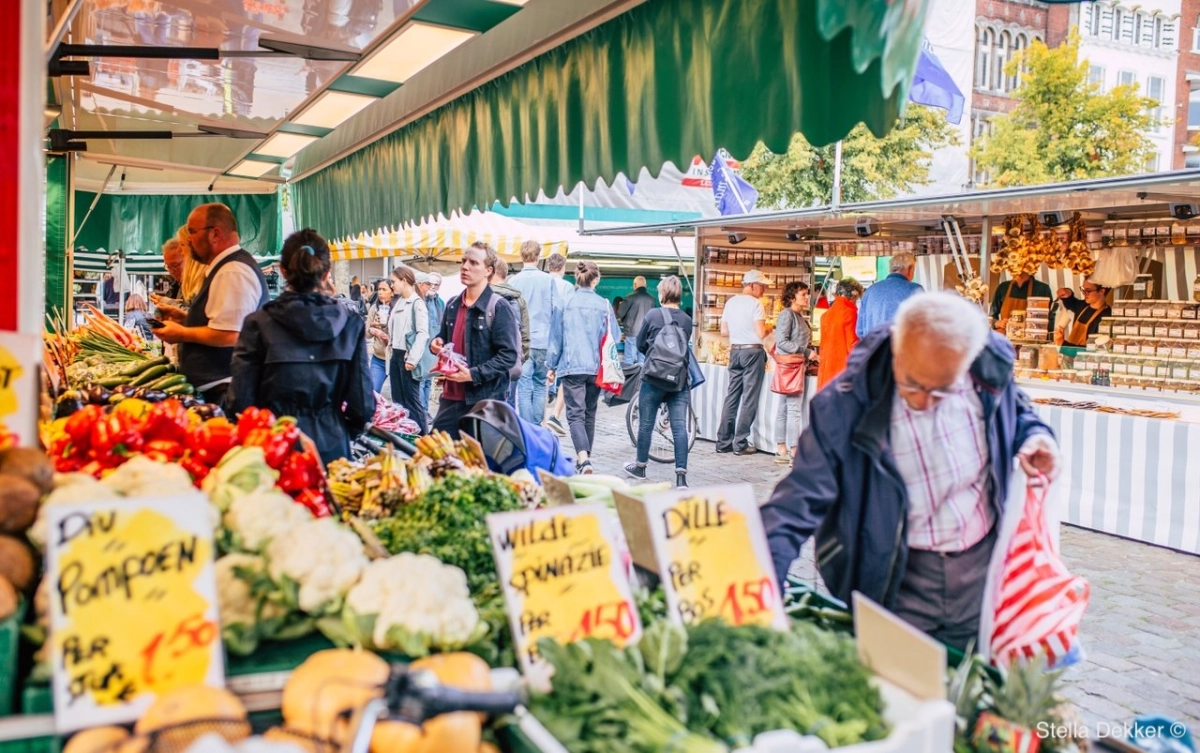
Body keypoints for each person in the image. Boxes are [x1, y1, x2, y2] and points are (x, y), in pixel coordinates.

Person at [761, 293, 1061, 651]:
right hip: (896, 582)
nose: (925, 401)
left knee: (968, 688)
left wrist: (1036, 438)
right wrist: (761, 586)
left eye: (943, 390)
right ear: (897, 353)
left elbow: (1019, 410)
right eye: (913, 385)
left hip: (980, 578)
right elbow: (796, 502)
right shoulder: (846, 406)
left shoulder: (984, 373)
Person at [228, 229, 373, 465]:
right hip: (332, 449)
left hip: (271, 448)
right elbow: (362, 405)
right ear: (326, 273)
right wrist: (340, 431)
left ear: (283, 270)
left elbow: (240, 401)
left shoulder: (258, 323)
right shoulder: (351, 324)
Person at [154, 203, 270, 404]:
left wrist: (182, 333)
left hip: (225, 391)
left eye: (192, 232)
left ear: (215, 234)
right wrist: (186, 319)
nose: (188, 241)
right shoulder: (225, 267)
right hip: (218, 388)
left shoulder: (232, 270)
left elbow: (230, 334)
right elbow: (221, 323)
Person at [428, 244, 521, 434]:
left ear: (488, 271)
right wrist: (435, 344)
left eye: (473, 263)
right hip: (451, 396)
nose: (465, 267)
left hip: (484, 400)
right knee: (436, 454)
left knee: (479, 461)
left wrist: (472, 374)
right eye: (463, 261)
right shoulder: (453, 304)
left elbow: (508, 356)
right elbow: (445, 341)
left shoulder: (499, 307)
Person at [548, 260, 618, 475]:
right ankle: (586, 459)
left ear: (577, 278)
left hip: (572, 365)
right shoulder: (605, 304)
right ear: (596, 280)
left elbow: (556, 338)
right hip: (596, 367)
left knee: (575, 414)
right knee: (590, 413)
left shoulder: (565, 303)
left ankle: (583, 459)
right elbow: (613, 336)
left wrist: (551, 366)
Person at [623, 275, 692, 489]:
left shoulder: (653, 316)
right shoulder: (686, 320)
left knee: (646, 423)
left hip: (653, 378)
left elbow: (641, 343)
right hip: (678, 380)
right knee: (679, 427)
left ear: (662, 294)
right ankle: (681, 477)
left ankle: (641, 467)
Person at [716, 269, 771, 456]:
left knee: (732, 396)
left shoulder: (731, 302)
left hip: (735, 351)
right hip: (753, 351)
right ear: (752, 285)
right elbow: (761, 333)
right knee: (749, 398)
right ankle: (740, 443)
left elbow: (724, 331)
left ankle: (723, 441)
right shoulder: (756, 304)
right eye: (762, 286)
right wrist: (770, 326)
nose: (764, 290)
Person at [508, 240, 556, 424]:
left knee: (524, 385)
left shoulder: (513, 281)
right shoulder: (549, 280)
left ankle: (527, 427)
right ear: (538, 256)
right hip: (544, 340)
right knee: (540, 384)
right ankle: (536, 425)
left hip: (522, 342)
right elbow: (555, 310)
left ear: (521, 256)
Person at [772, 281, 812, 464]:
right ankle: (794, 450)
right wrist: (806, 352)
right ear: (792, 296)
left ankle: (781, 448)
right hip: (792, 367)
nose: (807, 297)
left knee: (784, 407)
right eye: (803, 294)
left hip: (792, 367)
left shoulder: (797, 316)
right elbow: (782, 342)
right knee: (793, 409)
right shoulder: (788, 315)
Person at [389, 266, 431, 433]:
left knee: (412, 401)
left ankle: (424, 437)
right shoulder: (399, 301)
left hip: (407, 357)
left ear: (404, 280)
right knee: (398, 401)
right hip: (396, 355)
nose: (392, 285)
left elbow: (423, 333)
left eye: (393, 282)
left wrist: (412, 359)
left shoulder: (417, 303)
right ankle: (406, 435)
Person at [490, 257, 531, 406]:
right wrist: (520, 358)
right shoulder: (518, 299)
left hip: (485, 363)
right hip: (510, 361)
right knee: (508, 402)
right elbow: (525, 334)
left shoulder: (482, 297)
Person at [856, 252, 923, 338]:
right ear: (910, 269)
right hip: (903, 349)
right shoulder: (915, 290)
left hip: (875, 349)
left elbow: (860, 331)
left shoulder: (870, 291)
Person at [817, 277, 863, 391]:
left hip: (825, 371)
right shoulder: (850, 314)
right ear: (853, 295)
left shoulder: (826, 315)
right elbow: (853, 345)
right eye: (856, 298)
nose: (856, 302)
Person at [417, 271, 445, 409]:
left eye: (436, 284)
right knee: (421, 380)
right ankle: (421, 410)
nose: (433, 286)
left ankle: (425, 410)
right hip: (421, 345)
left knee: (428, 380)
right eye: (430, 283)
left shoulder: (440, 302)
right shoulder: (420, 300)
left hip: (433, 346)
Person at [1056, 281, 1112, 347]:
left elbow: (1093, 349)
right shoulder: (1083, 305)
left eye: (1088, 290)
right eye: (1083, 289)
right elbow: (1070, 302)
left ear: (1102, 291)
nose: (1084, 294)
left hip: (1085, 356)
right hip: (1070, 354)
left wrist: (1062, 343)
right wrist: (1067, 292)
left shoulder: (1106, 317)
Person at [617, 276, 656, 366]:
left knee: (629, 361)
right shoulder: (652, 299)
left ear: (635, 285)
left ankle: (630, 379)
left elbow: (620, 313)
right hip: (646, 334)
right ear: (645, 285)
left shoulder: (629, 297)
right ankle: (640, 380)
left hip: (632, 333)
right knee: (642, 362)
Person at [365, 280, 393, 394]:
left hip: (395, 359)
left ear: (392, 292)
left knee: (399, 397)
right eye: (379, 289)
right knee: (372, 392)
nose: (380, 292)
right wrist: (372, 327)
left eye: (384, 289)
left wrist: (386, 329)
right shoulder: (374, 309)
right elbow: (367, 335)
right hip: (379, 358)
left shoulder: (397, 309)